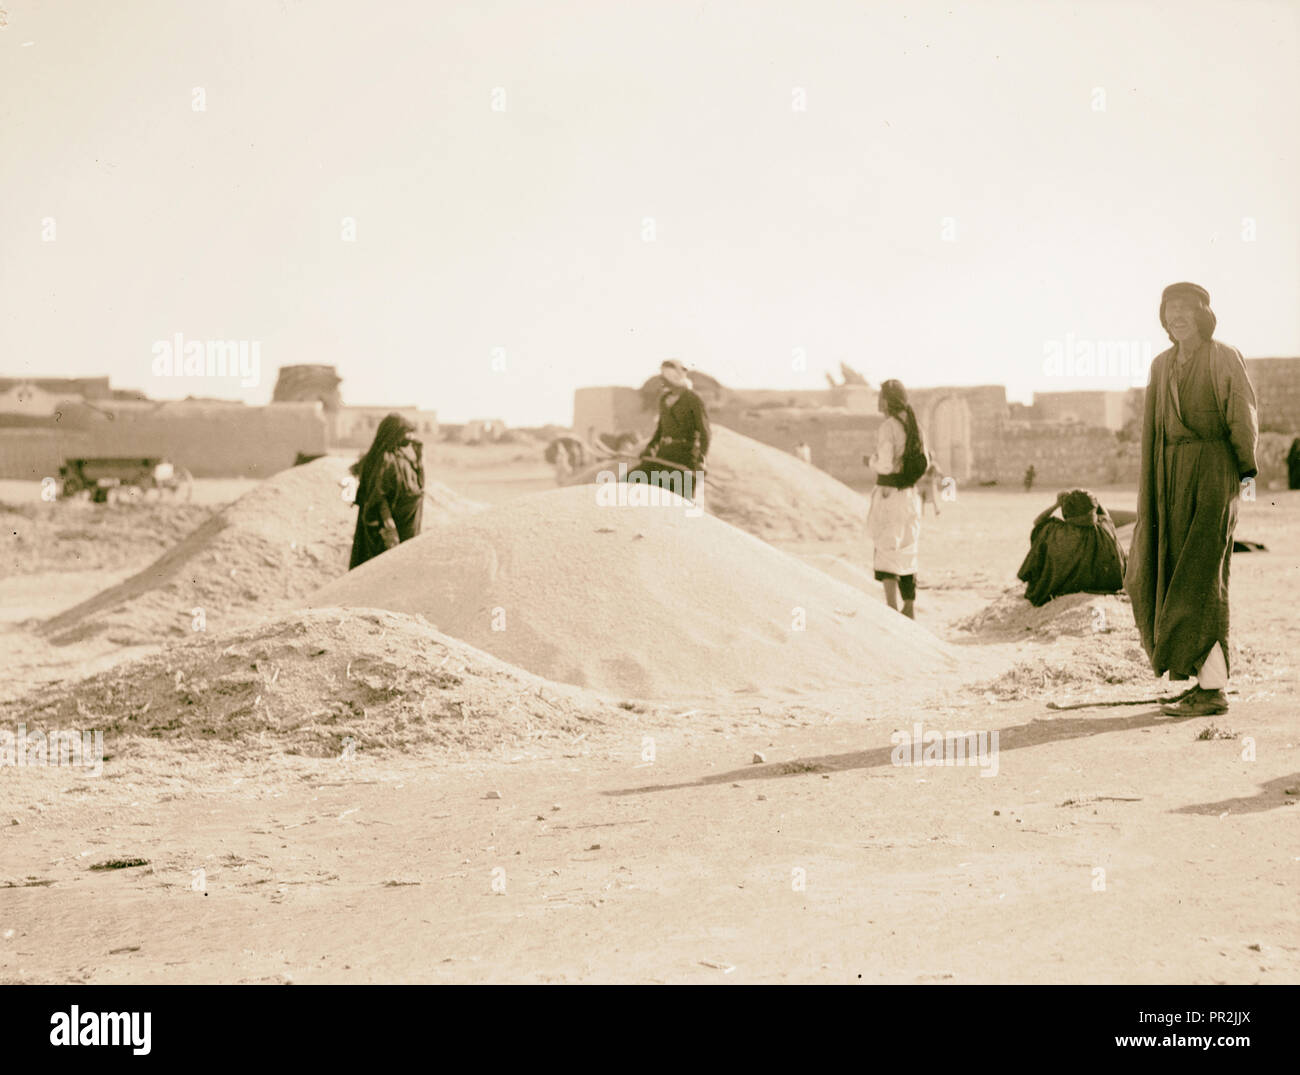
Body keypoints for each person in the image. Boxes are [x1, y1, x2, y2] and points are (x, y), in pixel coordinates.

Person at [1125, 282, 1258, 716]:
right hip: (1170, 477)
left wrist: (1243, 473)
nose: (1176, 317)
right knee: (1174, 571)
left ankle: (1214, 690)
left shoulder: (1224, 356)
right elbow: (1153, 429)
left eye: (1184, 309)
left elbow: (1242, 414)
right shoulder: (1161, 366)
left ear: (1201, 313)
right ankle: (1201, 679)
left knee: (1202, 579)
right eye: (1169, 310)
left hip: (1213, 471)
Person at [868, 379, 925, 618]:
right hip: (911, 495)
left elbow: (886, 464)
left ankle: (891, 608)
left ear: (887, 400)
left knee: (887, 547)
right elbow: (925, 462)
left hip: (890, 495)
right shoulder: (916, 426)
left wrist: (871, 461)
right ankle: (909, 604)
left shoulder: (889, 427)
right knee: (907, 547)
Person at [1017, 489, 1126, 607]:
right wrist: (1094, 500)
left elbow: (1038, 522)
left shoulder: (1055, 531)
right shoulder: (1105, 528)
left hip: (1066, 586)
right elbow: (1105, 515)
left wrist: (1057, 504)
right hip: (1102, 585)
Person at [348, 413, 425, 570]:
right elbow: (378, 499)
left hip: (408, 528)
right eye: (406, 433)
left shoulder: (403, 458)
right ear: (394, 434)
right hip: (391, 533)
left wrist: (419, 458)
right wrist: (390, 531)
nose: (410, 438)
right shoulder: (385, 460)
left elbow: (419, 488)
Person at [634, 359, 711, 500]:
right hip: (664, 456)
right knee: (631, 481)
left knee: (677, 503)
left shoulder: (693, 399)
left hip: (685, 459)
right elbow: (660, 429)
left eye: (664, 377)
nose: (661, 380)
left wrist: (702, 461)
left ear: (672, 377)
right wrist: (650, 447)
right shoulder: (664, 399)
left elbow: (705, 432)